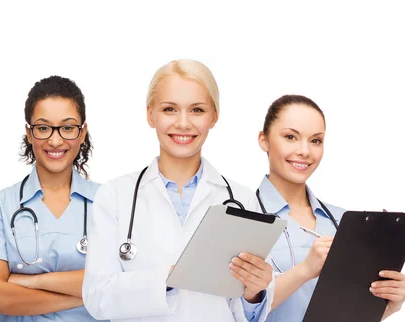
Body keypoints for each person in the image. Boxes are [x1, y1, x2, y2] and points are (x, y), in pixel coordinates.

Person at [82, 59, 274, 322]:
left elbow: (248, 312)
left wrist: (255, 292)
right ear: (151, 115)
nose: (183, 123)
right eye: (170, 109)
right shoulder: (115, 196)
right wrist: (169, 278)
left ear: (213, 117)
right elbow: (97, 297)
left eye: (197, 110)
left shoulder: (241, 200)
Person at [255, 94, 405, 321]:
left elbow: (352, 312)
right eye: (290, 137)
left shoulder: (343, 221)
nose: (305, 151)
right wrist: (305, 269)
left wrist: (389, 304)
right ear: (264, 140)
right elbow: (234, 310)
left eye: (315, 140)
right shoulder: (245, 215)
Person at [0, 76, 105, 321]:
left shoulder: (109, 203)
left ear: (82, 132)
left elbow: (121, 282)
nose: (55, 140)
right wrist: (87, 294)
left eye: (67, 127)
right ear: (29, 133)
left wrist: (33, 281)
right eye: (43, 128)